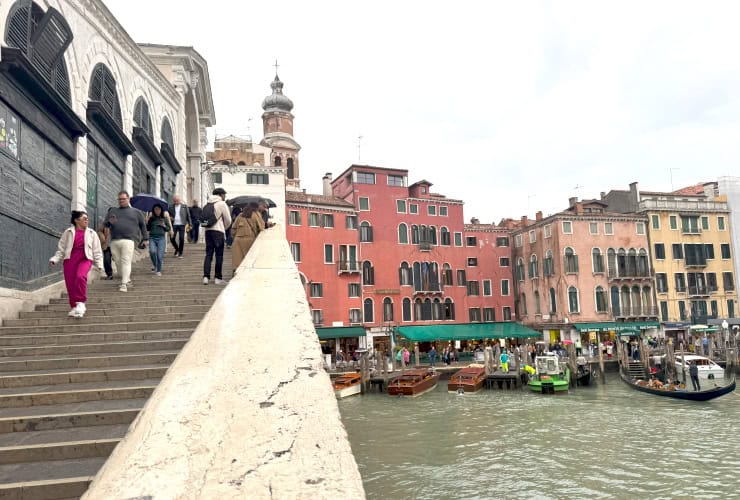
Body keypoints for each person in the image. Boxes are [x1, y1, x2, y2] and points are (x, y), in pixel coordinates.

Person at [49, 211, 104, 318]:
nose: (87, 220)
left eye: (87, 218)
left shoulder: (92, 233)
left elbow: (97, 251)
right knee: (70, 284)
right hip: (70, 260)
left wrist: (100, 265)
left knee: (80, 276)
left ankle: (81, 302)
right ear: (76, 220)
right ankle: (74, 307)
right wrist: (55, 259)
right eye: (84, 218)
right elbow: (61, 249)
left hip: (85, 259)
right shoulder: (68, 232)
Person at [106, 191, 148, 292]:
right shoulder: (113, 211)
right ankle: (126, 279)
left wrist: (145, 238)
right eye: (119, 199)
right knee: (117, 261)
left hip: (129, 240)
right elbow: (106, 225)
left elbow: (143, 226)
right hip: (114, 240)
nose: (121, 201)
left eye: (123, 199)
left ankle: (123, 284)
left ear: (128, 199)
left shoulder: (136, 212)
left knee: (125, 260)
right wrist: (110, 222)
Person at [202, 187, 232, 285]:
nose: (225, 196)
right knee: (219, 255)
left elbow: (204, 221)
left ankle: (206, 277)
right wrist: (224, 228)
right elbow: (228, 220)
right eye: (224, 195)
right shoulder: (222, 204)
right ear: (220, 195)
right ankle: (217, 278)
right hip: (218, 232)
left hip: (208, 231)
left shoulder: (207, 204)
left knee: (208, 254)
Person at [231, 202, 265, 272]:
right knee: (247, 263)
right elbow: (261, 227)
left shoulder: (240, 215)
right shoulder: (256, 214)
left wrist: (234, 237)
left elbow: (233, 229)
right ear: (256, 208)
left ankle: (235, 279)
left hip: (237, 241)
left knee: (237, 264)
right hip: (250, 241)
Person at [146, 204, 171, 276]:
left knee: (160, 256)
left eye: (159, 209)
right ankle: (156, 265)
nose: (157, 211)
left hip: (161, 238)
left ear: (161, 210)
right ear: (153, 210)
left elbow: (168, 229)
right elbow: (147, 229)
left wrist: (164, 225)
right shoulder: (151, 219)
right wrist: (147, 221)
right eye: (156, 209)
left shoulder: (164, 218)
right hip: (152, 238)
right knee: (152, 252)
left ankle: (158, 270)